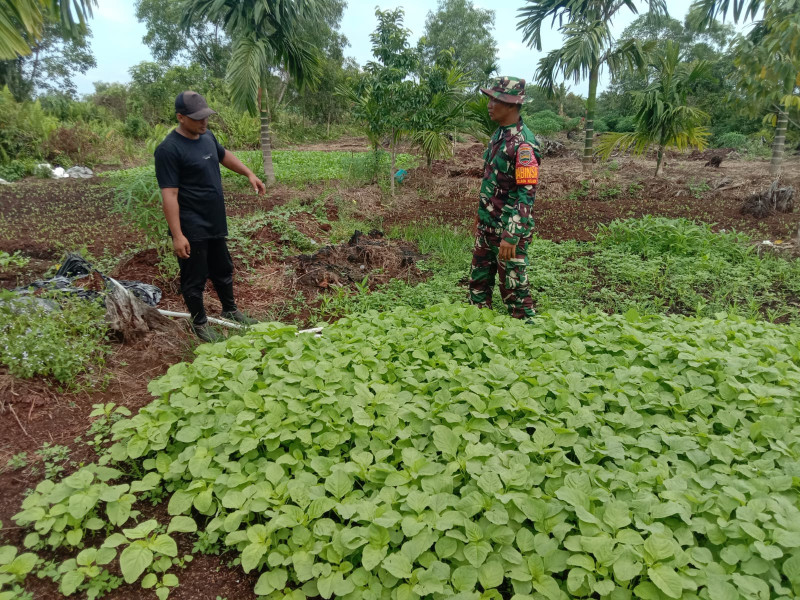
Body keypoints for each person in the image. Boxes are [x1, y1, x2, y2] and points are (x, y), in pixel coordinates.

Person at [154, 90, 266, 342]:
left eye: (206, 116)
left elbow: (223, 156)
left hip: (214, 218)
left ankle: (230, 309)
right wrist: (177, 234)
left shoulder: (207, 137)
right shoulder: (168, 150)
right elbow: (169, 195)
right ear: (181, 117)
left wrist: (248, 173)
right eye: (197, 118)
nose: (204, 122)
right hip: (191, 224)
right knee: (195, 277)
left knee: (223, 267)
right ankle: (200, 324)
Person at [468, 76, 542, 320]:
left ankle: (527, 341)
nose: (489, 105)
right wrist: (481, 220)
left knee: (514, 292)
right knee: (477, 287)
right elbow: (491, 183)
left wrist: (511, 237)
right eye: (489, 99)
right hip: (488, 228)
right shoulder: (499, 135)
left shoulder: (524, 146)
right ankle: (476, 334)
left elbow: (526, 196)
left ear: (512, 104)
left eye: (495, 100)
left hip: (507, 233)